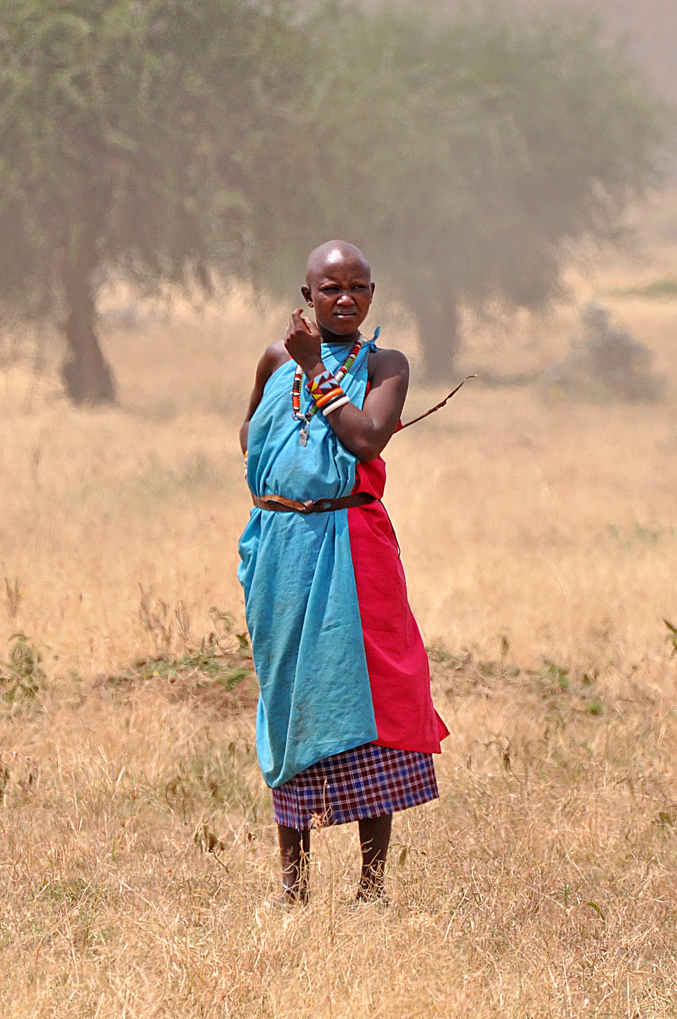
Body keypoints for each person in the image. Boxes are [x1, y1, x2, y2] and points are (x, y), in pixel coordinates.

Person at [238, 240, 448, 904]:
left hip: (352, 545)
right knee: (289, 700)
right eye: (331, 288)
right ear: (307, 296)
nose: (345, 298)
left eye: (358, 287)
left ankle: (371, 886)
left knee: (368, 700)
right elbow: (249, 432)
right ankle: (293, 886)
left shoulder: (386, 363)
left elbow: (366, 438)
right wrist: (281, 485)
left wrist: (317, 374)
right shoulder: (277, 357)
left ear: (372, 295)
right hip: (281, 550)